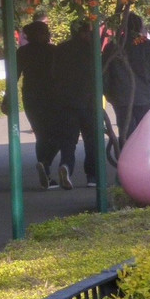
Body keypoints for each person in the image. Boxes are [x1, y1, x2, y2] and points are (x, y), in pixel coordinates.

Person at [17, 20, 73, 190]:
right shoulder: (54, 51)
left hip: (31, 97)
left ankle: (46, 172)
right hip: (53, 97)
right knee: (59, 135)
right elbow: (65, 75)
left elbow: (14, 75)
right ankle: (46, 163)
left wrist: (7, 99)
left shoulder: (22, 52)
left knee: (41, 135)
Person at [103, 12, 150, 144]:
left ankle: (127, 162)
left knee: (126, 135)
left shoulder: (112, 46)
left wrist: (110, 96)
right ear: (140, 27)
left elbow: (105, 75)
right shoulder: (148, 46)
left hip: (121, 98)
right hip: (145, 97)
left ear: (122, 27)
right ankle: (146, 162)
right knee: (146, 135)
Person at [52, 19, 99, 187]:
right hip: (88, 101)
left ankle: (66, 166)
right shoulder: (91, 50)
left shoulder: (61, 49)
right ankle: (92, 176)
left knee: (68, 141)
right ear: (84, 33)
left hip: (66, 102)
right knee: (91, 140)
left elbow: (54, 74)